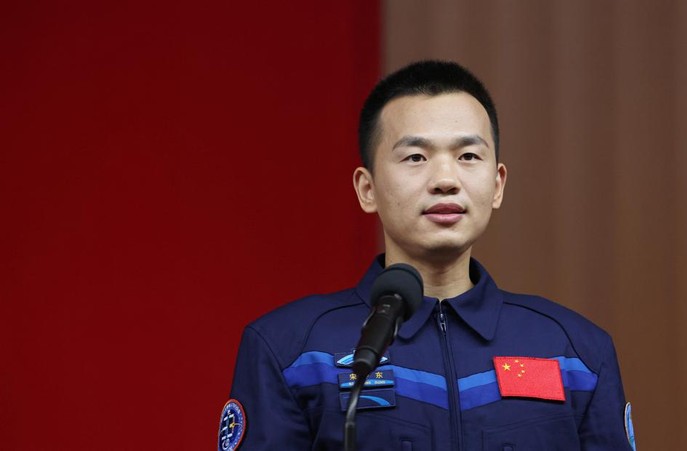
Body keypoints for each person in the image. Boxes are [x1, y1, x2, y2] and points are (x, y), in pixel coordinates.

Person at [218, 60, 635, 450]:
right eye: (416, 157)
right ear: (367, 189)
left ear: (497, 184)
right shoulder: (291, 349)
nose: (445, 179)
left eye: (468, 156)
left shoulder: (575, 353)